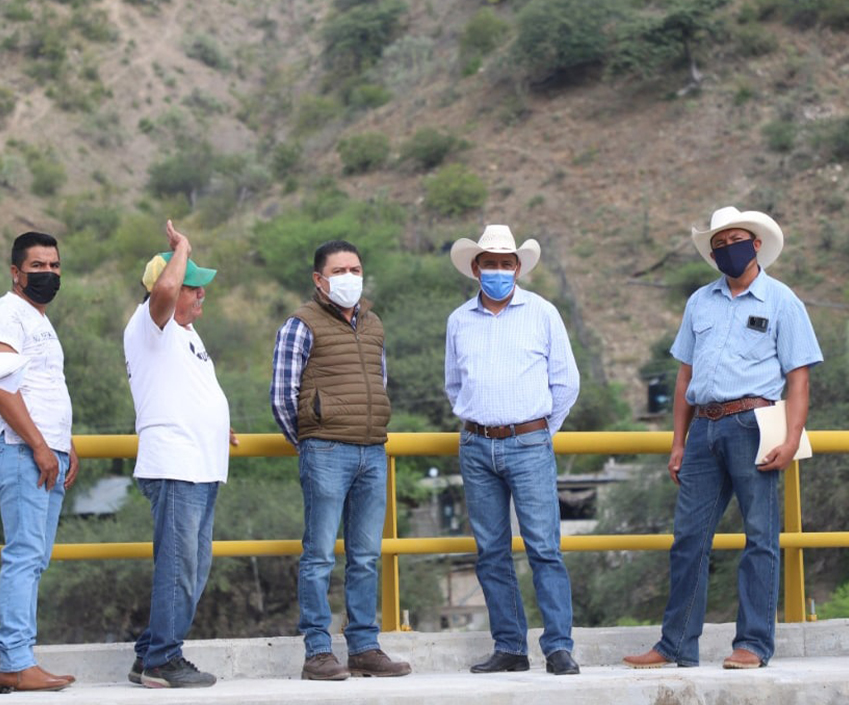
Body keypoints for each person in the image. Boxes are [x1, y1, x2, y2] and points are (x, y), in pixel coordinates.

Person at [624, 206, 822, 670]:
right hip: (703, 430)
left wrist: (792, 438)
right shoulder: (700, 302)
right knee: (688, 538)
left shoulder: (782, 301)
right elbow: (683, 378)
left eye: (734, 240)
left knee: (760, 537)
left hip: (754, 424)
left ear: (755, 245)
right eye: (718, 244)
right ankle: (675, 644)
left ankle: (752, 644)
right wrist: (678, 441)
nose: (726, 249)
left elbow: (799, 378)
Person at [270, 240, 411, 681]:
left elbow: (381, 380)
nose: (350, 278)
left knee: (366, 555)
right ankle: (317, 651)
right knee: (318, 557)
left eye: (356, 269)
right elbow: (281, 397)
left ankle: (365, 646)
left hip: (372, 449)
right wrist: (312, 440)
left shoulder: (373, 324)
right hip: (326, 450)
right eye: (340, 271)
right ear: (319, 280)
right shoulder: (300, 324)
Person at [444, 224, 582, 676]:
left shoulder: (543, 313)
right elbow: (454, 384)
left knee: (544, 547)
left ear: (518, 268)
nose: (499, 270)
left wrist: (538, 430)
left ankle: (559, 647)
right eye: (490, 263)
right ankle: (510, 647)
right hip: (476, 444)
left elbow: (566, 382)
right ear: (475, 268)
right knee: (491, 551)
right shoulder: (459, 320)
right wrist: (480, 419)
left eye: (506, 263)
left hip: (528, 443)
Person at [123, 221, 236, 688]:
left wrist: (215, 423)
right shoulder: (153, 322)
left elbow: (186, 389)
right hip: (175, 465)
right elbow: (166, 286)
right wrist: (182, 247)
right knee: (179, 567)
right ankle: (162, 661)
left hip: (200, 465)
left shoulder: (186, 335)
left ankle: (150, 652)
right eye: (194, 288)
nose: (200, 296)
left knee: (193, 567)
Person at [0, 231, 78, 692]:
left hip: (43, 450)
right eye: (38, 267)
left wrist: (62, 443)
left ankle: (23, 658)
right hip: (21, 451)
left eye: (55, 266)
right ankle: (16, 661)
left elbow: (41, 387)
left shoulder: (38, 318)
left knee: (35, 558)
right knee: (23, 556)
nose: (49, 274)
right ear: (16, 272)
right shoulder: (5, 314)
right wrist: (39, 445)